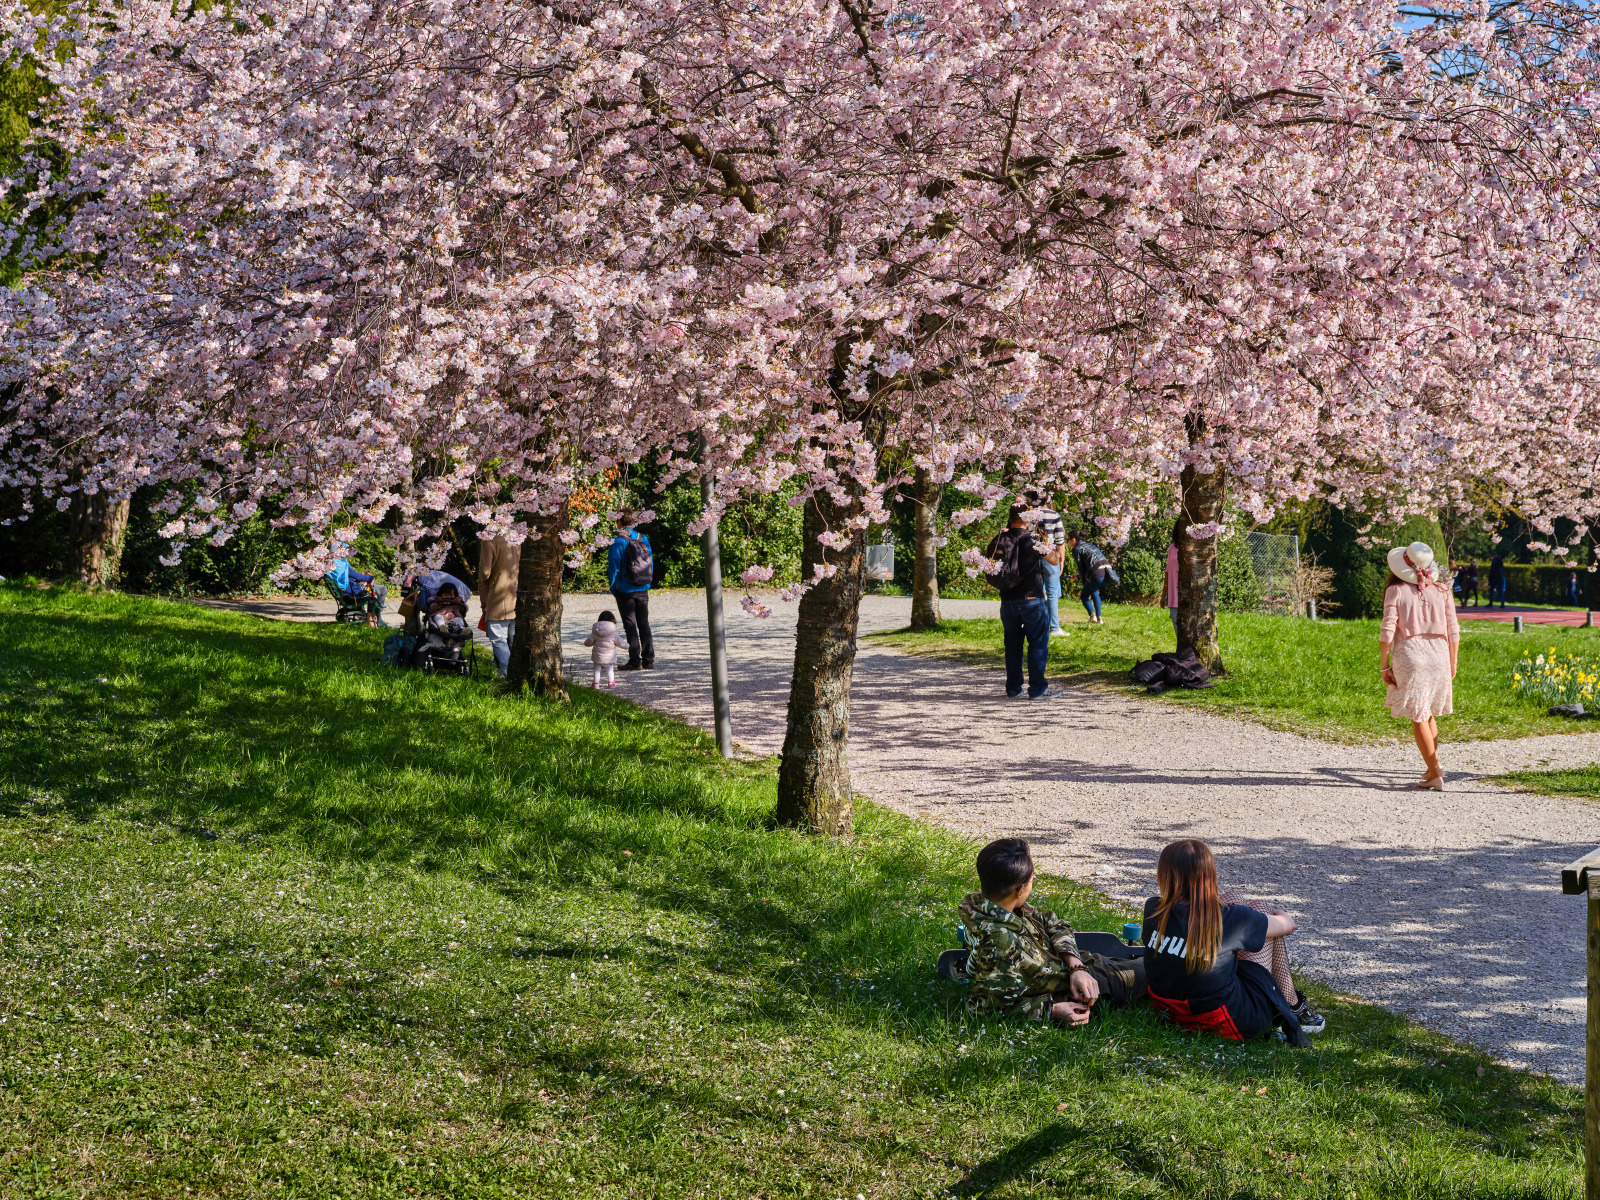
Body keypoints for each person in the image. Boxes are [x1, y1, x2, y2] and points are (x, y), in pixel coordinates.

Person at [1143, 839, 1321, 1045]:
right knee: (1261, 908)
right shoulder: (1228, 918)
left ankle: (1292, 1005)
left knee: (1234, 898)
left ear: (1164, 875)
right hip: (1225, 1021)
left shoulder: (1154, 909)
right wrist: (1276, 911)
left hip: (1168, 1012)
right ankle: (1294, 1006)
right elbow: (1287, 925)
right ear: (1209, 875)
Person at [961, 838, 1147, 1026]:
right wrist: (1052, 1010)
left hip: (1078, 971)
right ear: (1019, 890)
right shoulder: (1000, 943)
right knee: (1157, 969)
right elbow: (984, 1010)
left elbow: (1052, 921)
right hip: (1081, 990)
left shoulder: (984, 905)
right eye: (1031, 880)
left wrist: (1076, 967)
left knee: (1145, 962)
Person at [1380, 541, 1459, 790]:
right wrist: (1453, 662)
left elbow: (1386, 633)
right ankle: (1432, 765)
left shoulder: (1396, 590)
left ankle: (1435, 773)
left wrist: (1384, 665)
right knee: (1428, 712)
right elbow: (1454, 631)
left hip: (1411, 654)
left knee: (1418, 716)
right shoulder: (1443, 590)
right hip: (1439, 655)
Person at [985, 505, 1064, 699]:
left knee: (1012, 646)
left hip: (1008, 602)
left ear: (1010, 517)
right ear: (1028, 518)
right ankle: (1037, 689)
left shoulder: (999, 539)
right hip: (1031, 600)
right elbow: (1055, 560)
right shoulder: (1033, 540)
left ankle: (1013, 689)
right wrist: (1048, 544)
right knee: (1037, 644)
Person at [607, 511, 655, 671]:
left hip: (625, 589)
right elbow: (650, 562)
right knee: (644, 623)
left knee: (630, 625)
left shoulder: (618, 541)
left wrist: (613, 587)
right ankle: (648, 660)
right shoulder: (642, 537)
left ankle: (635, 661)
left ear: (619, 521)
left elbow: (613, 567)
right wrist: (647, 581)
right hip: (643, 587)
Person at [477, 533, 518, 677]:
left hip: (498, 595)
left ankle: (508, 673)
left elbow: (485, 572)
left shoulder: (489, 538)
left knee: (498, 637)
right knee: (514, 638)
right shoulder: (518, 535)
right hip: (517, 593)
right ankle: (517, 673)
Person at [1067, 531, 1120, 624]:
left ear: (1073, 540)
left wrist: (1083, 581)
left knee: (1084, 595)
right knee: (1093, 590)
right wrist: (1079, 577)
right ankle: (1100, 619)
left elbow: (1081, 568)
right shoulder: (1090, 545)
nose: (1066, 542)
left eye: (1067, 540)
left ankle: (1092, 616)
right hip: (1108, 573)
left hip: (1097, 573)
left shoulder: (1076, 549)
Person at [1033, 502, 1068, 636]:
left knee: (1035, 592)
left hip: (1032, 557)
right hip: (1050, 556)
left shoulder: (1028, 514)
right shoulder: (1054, 515)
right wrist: (1062, 560)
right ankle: (1054, 628)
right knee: (1052, 594)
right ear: (1047, 499)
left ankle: (1036, 625)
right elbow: (1060, 541)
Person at [325, 558, 386, 626]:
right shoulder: (341, 565)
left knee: (380, 589)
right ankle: (374, 619)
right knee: (380, 590)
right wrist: (371, 578)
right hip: (353, 593)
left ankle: (376, 618)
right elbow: (359, 576)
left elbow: (354, 577)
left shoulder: (333, 567)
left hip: (349, 591)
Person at [583, 610, 626, 688]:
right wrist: (627, 646)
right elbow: (620, 642)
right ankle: (611, 683)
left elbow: (589, 641)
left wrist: (585, 643)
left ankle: (596, 684)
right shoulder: (614, 632)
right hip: (609, 657)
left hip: (598, 656)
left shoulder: (595, 631)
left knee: (597, 669)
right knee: (609, 669)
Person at [1164, 541, 1180, 638]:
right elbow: (1167, 571)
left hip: (1191, 599)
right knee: (1178, 633)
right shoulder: (1172, 547)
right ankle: (1182, 653)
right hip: (1174, 598)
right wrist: (1163, 595)